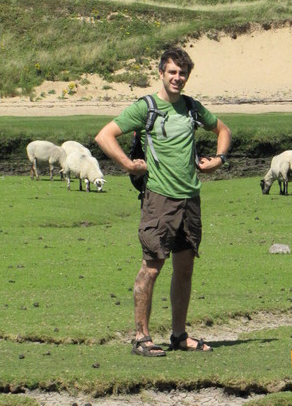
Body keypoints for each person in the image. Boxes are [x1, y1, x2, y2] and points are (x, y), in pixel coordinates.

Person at [95, 47, 231, 357]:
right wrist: (129, 165)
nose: (177, 78)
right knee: (152, 268)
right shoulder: (146, 108)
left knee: (184, 269)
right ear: (161, 73)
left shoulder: (192, 109)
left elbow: (223, 129)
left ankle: (179, 336)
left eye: (182, 73)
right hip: (159, 199)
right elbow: (105, 136)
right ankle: (141, 338)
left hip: (190, 199)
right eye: (172, 72)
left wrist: (219, 159)